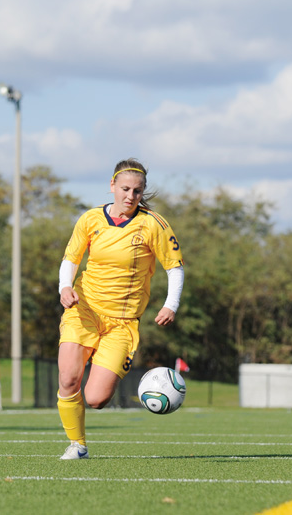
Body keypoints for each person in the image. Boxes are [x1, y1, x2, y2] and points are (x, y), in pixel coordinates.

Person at [56, 158, 184, 460]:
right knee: (67, 380)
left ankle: (111, 375)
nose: (130, 196)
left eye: (137, 191)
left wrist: (171, 304)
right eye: (125, 188)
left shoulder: (154, 224)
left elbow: (174, 268)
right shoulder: (90, 219)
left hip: (122, 323)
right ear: (112, 186)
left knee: (96, 399)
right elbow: (71, 258)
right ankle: (78, 445)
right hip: (83, 310)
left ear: (143, 193)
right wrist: (65, 287)